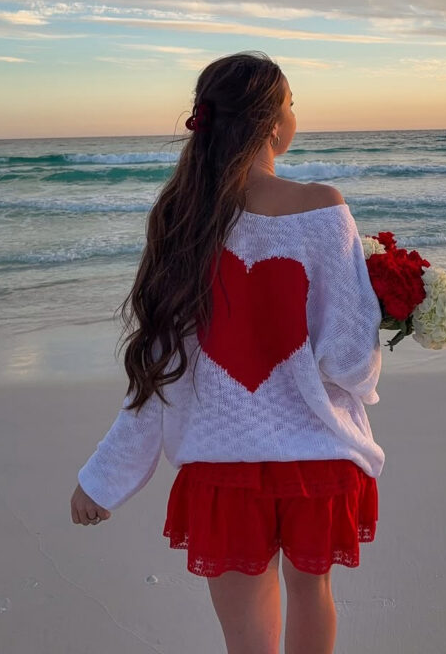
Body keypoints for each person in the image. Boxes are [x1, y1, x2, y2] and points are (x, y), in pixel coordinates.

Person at [70, 51, 384, 654]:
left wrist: (102, 481)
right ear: (272, 123)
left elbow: (161, 367)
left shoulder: (181, 220)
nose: (296, 116)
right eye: (292, 105)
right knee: (311, 592)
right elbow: (348, 358)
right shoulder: (323, 208)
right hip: (316, 456)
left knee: (245, 635)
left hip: (222, 465)